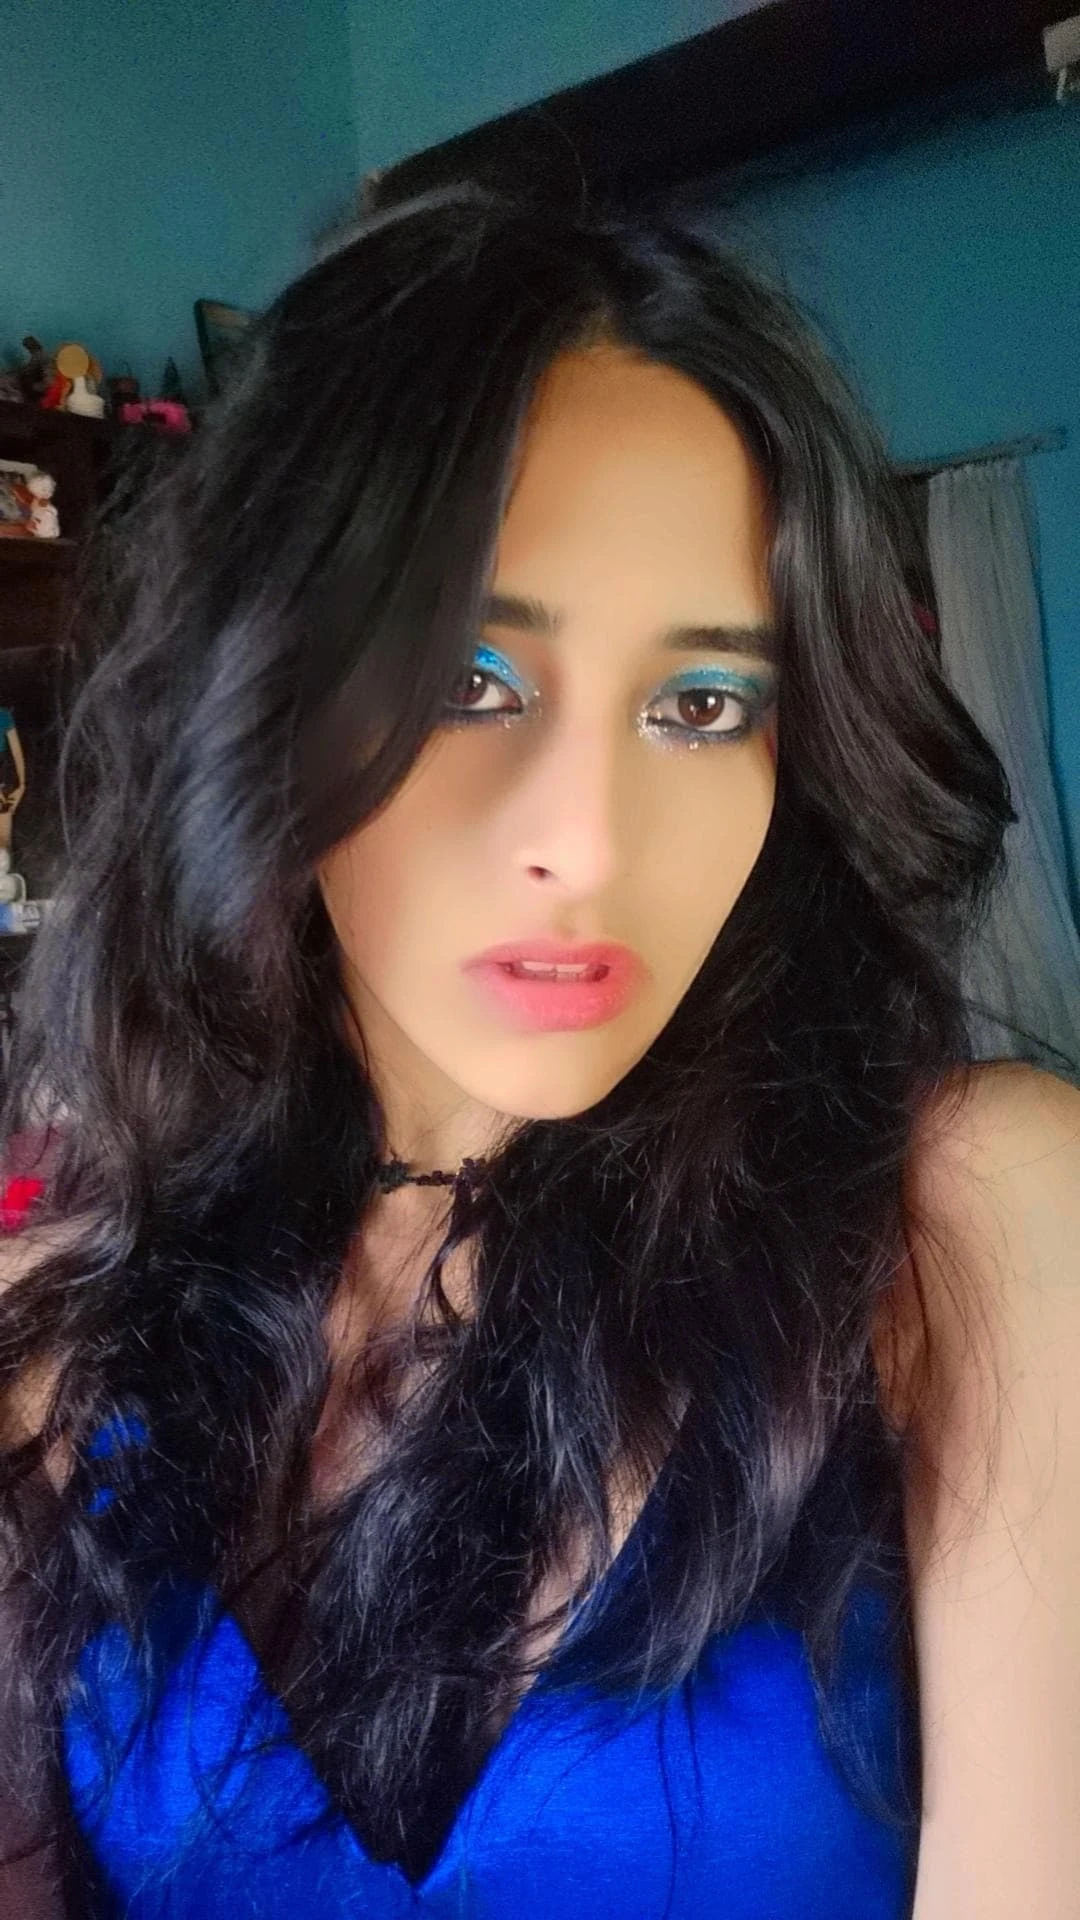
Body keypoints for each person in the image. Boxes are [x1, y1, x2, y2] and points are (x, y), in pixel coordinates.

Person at [0, 184, 1077, 1920]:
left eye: (700, 705)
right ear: (266, 701)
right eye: (471, 683)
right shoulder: (76, 1328)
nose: (588, 840)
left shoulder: (966, 1229)